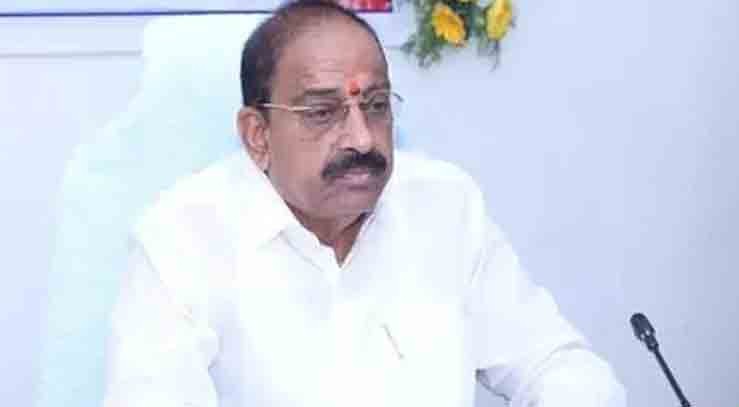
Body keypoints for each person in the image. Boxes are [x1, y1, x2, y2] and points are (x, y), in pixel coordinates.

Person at [103, 1, 626, 406]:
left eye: (375, 106)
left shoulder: (445, 206)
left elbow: (555, 364)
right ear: (258, 135)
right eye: (322, 112)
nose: (361, 138)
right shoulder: (182, 239)